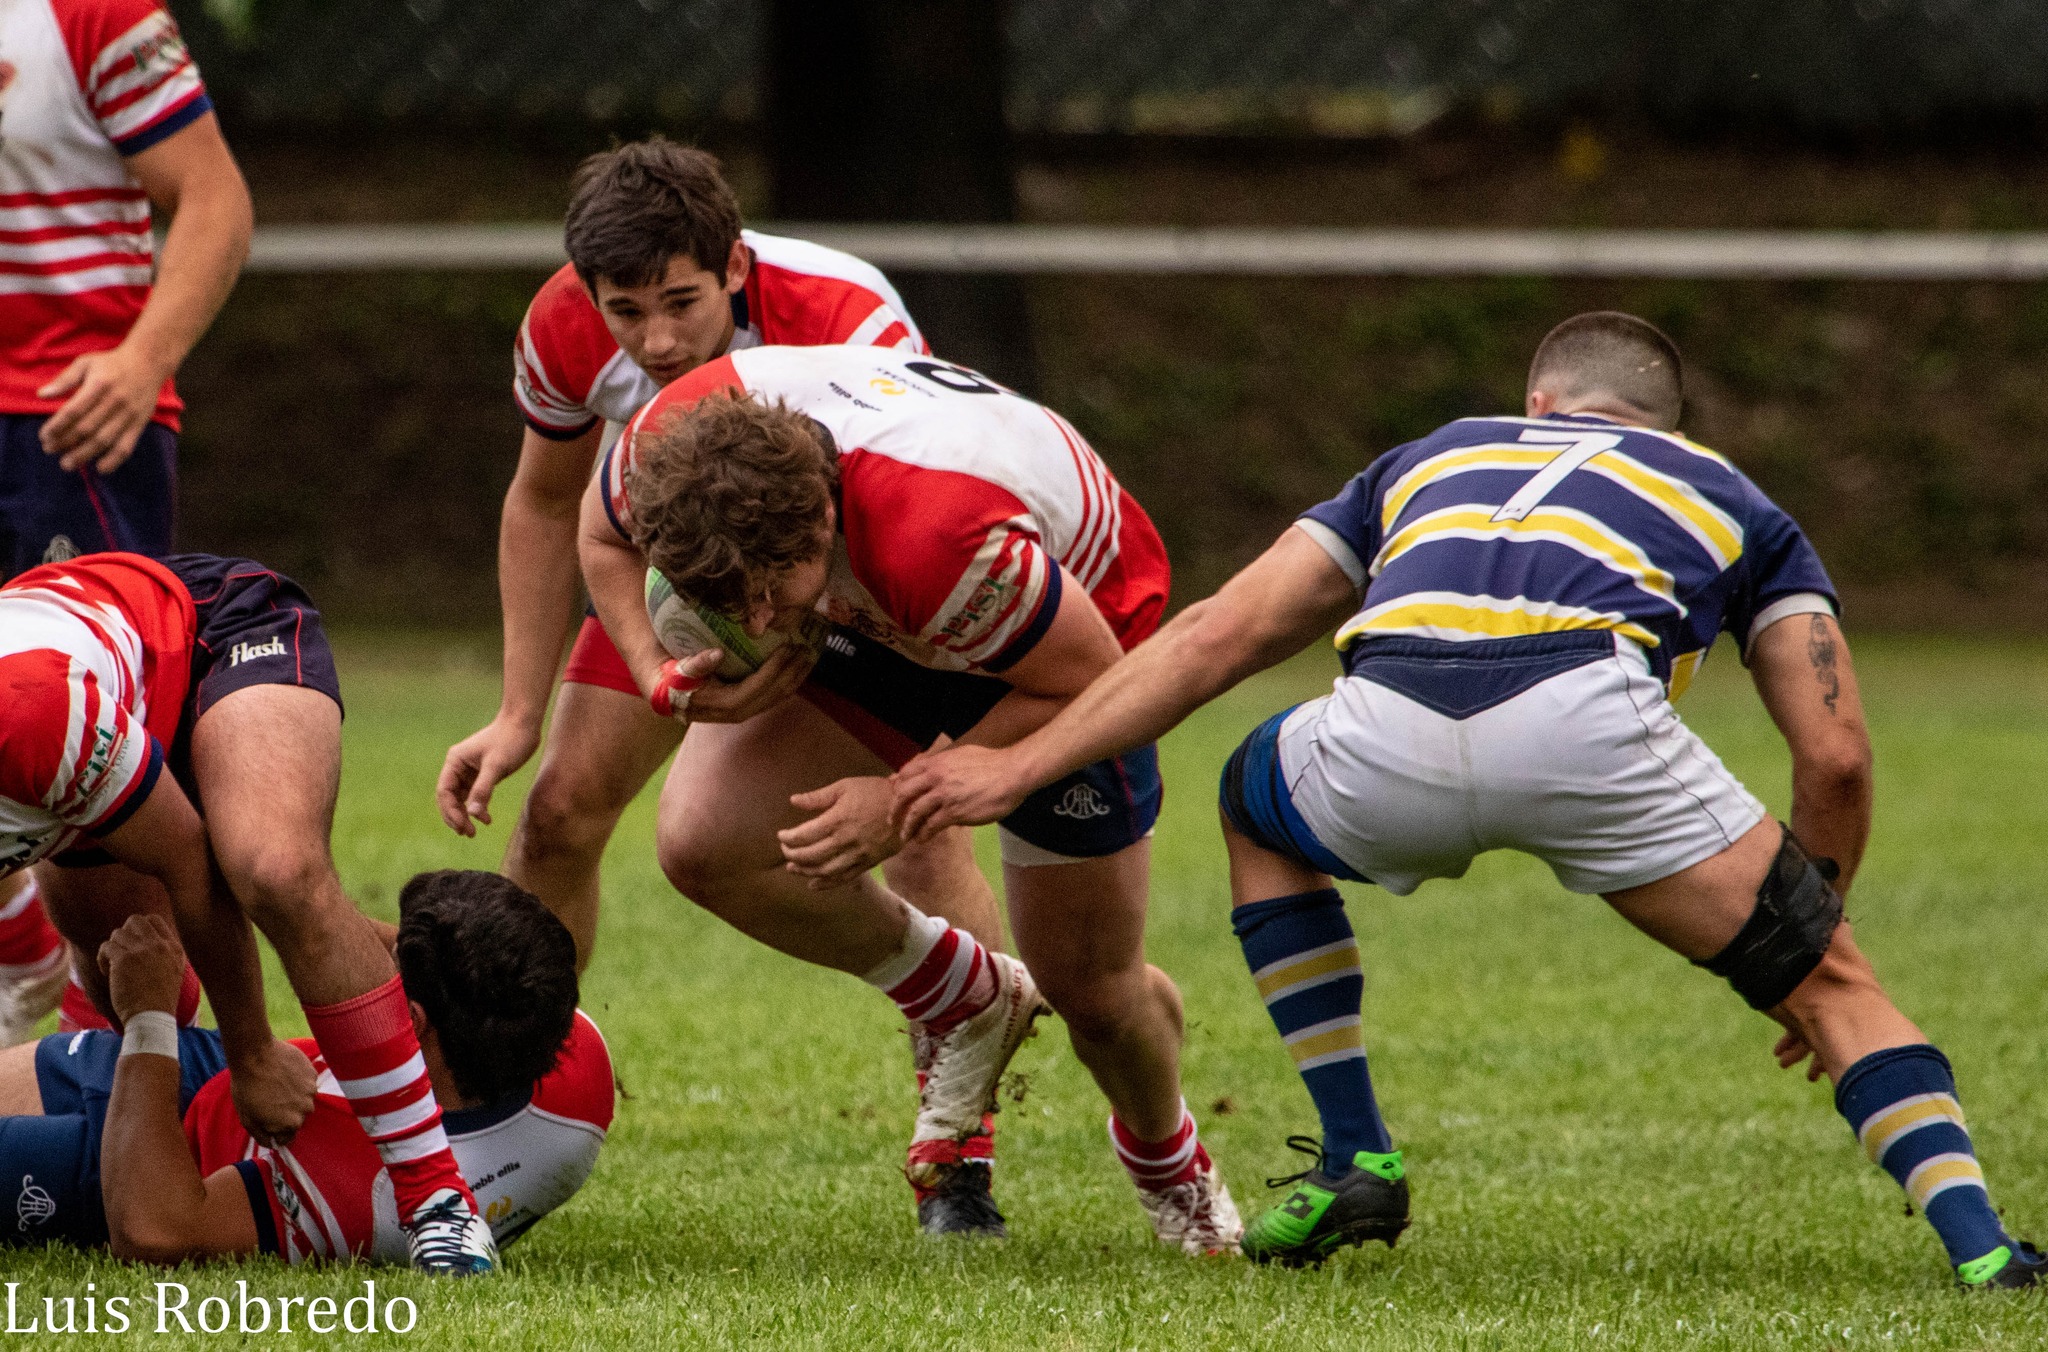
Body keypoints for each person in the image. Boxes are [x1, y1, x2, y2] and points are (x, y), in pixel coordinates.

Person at [892, 311, 2045, 1288]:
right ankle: (1986, 1255)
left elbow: (1215, 634)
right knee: (1838, 991)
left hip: (1382, 722)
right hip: (1590, 728)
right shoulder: (1733, 495)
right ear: (1666, 424)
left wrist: (1016, 766)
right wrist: (1811, 922)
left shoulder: (1430, 454)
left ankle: (1355, 1151)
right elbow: (1834, 755)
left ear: (1537, 401)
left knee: (1253, 790)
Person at [576, 344, 1241, 1253]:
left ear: (817, 525)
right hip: (889, 609)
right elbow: (600, 533)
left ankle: (1171, 1164)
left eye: (768, 596)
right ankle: (965, 995)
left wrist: (901, 798)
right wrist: (657, 675)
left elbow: (1089, 677)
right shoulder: (672, 441)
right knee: (705, 842)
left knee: (1090, 989)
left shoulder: (939, 538)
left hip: (1073, 648)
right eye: (735, 604)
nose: (758, 625)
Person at [0, 551, 501, 1273]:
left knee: (271, 864)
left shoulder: (34, 720)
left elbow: (187, 862)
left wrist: (253, 1053)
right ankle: (145, 1123)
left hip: (202, 635)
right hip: (78, 742)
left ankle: (435, 1197)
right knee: (140, 977)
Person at [0, 0, 255, 1042]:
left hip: (64, 431)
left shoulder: (90, 12)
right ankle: (26, 953)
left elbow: (214, 195)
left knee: (101, 800)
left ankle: (139, 1059)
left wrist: (144, 358)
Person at [0, 870, 612, 1263]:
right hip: (233, 1069)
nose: (376, 943)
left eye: (392, 958)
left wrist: (149, 1017)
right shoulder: (573, 1060)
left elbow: (158, 1230)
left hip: (156, 1161)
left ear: (415, 1021)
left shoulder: (364, 1191)